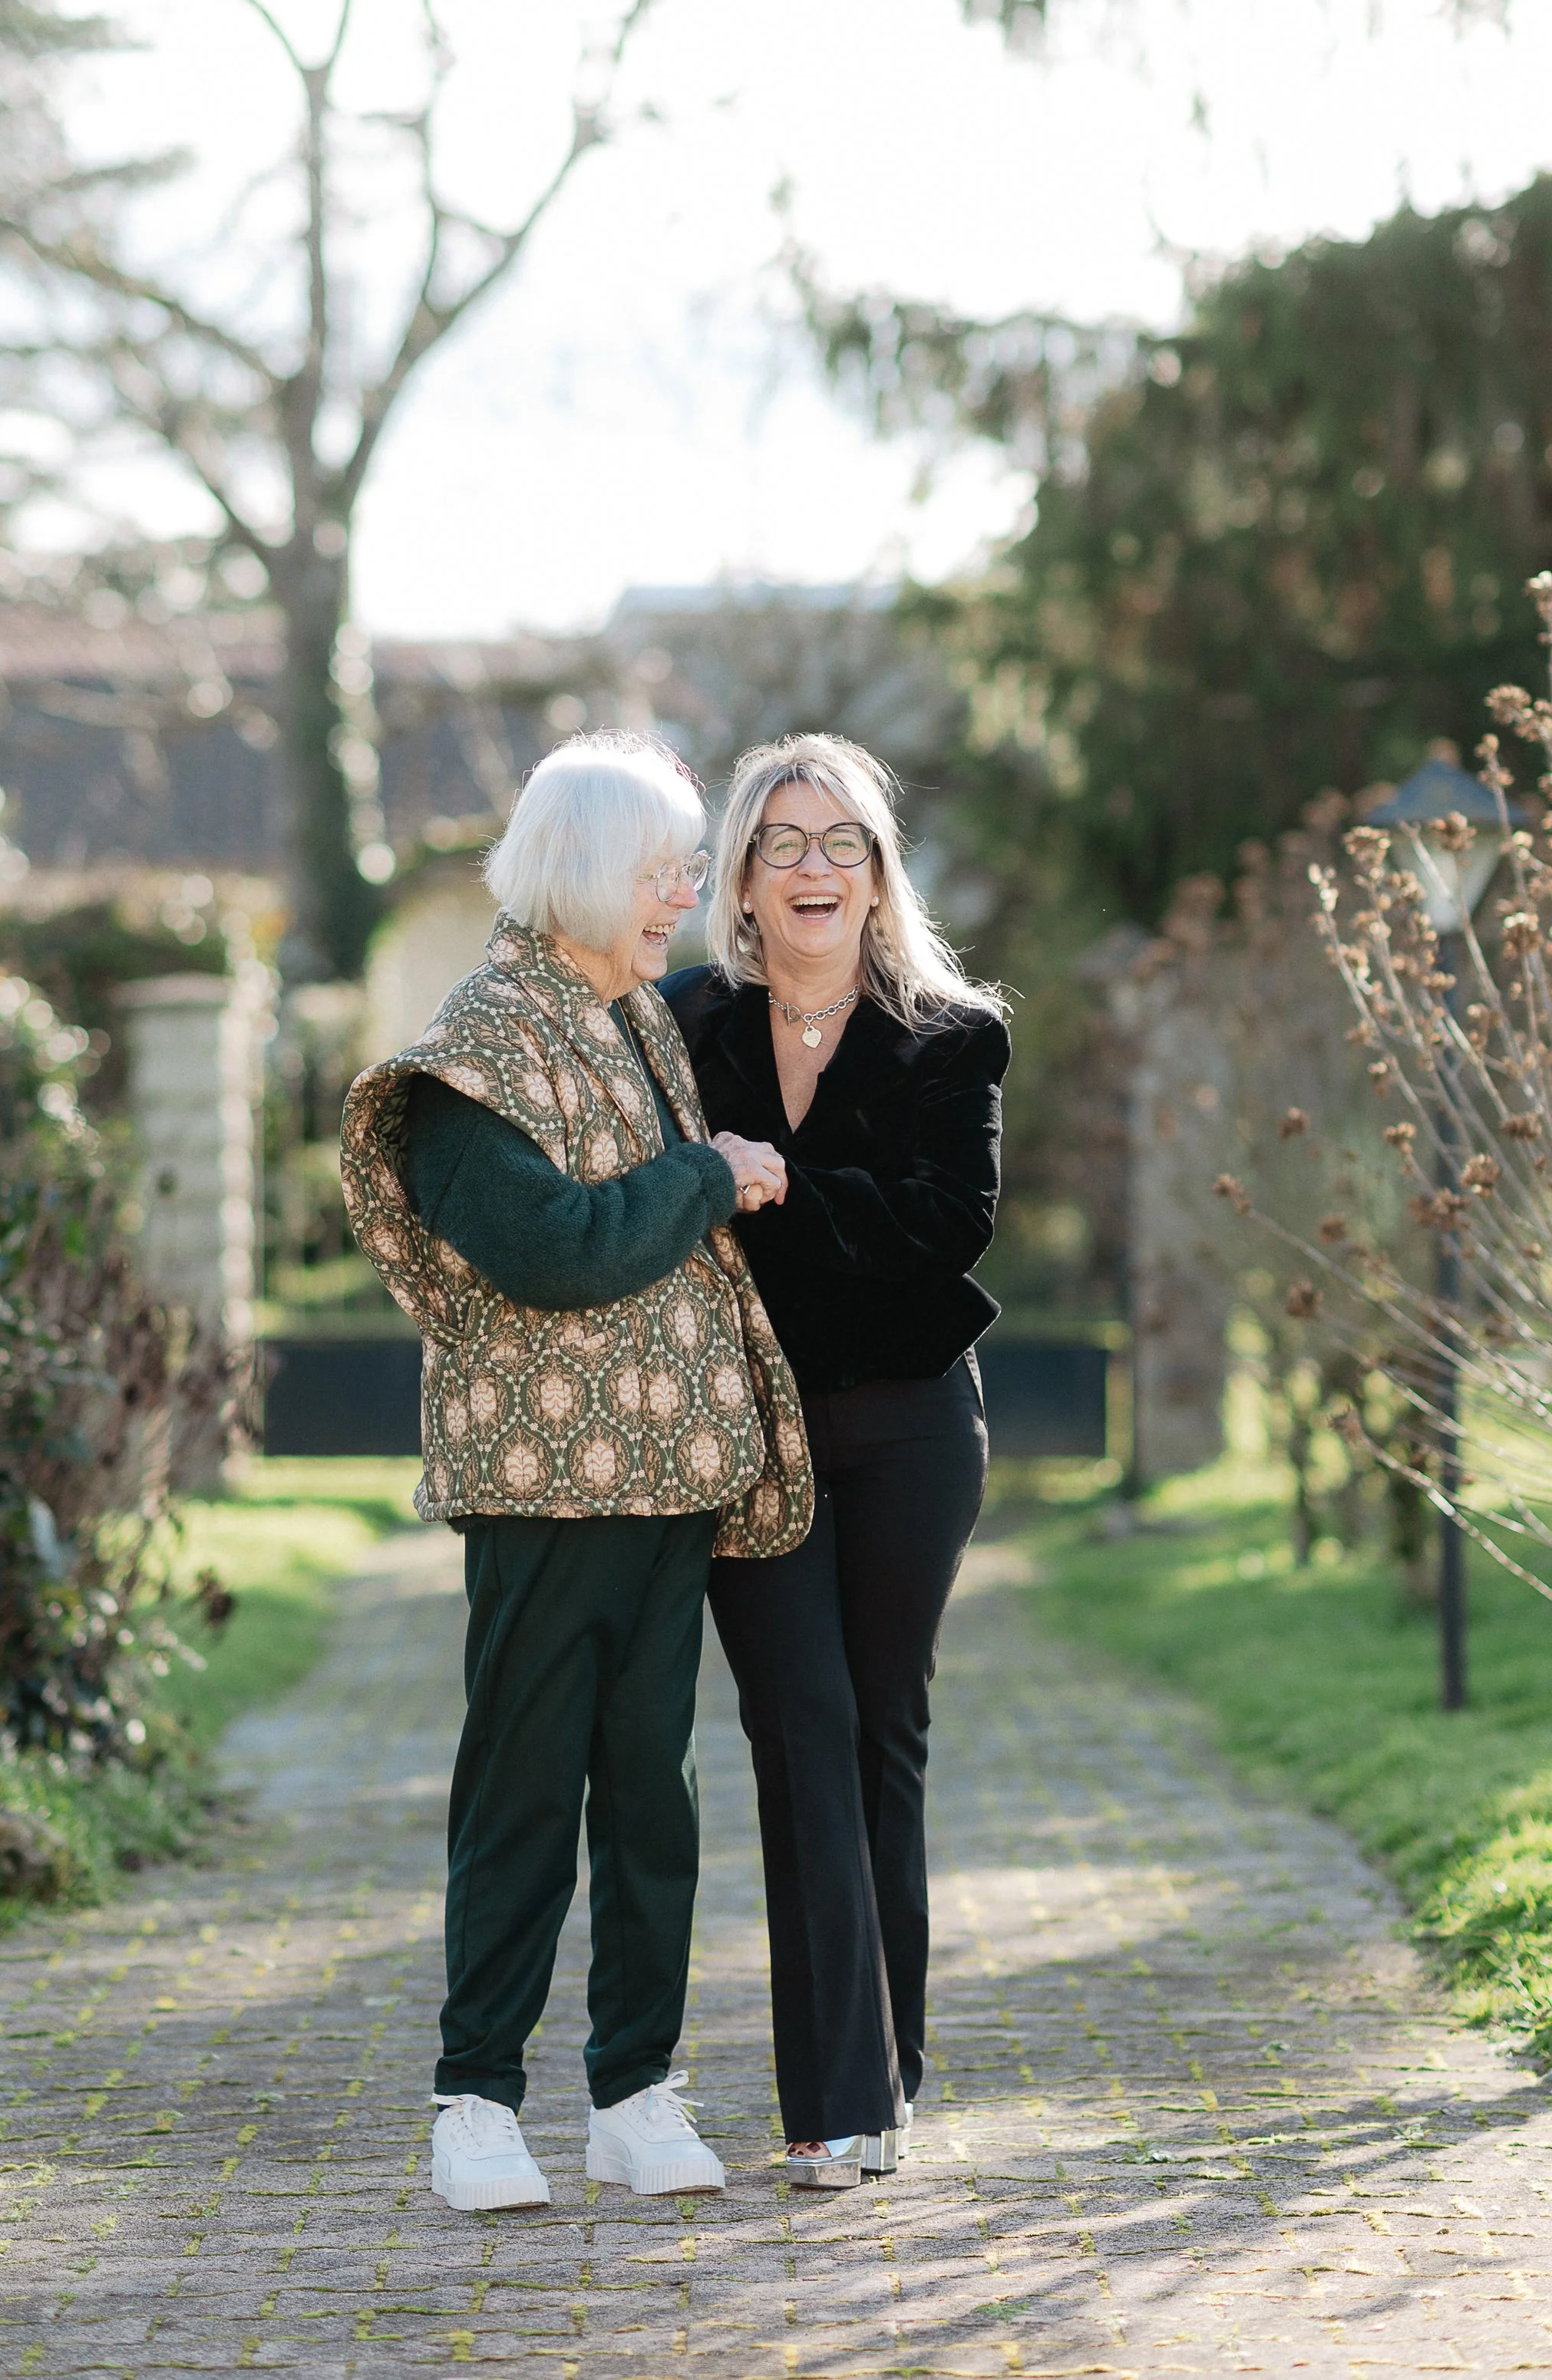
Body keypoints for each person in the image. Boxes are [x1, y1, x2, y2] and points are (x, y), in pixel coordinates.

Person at [339, 731, 811, 2216]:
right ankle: (475, 2100)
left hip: (668, 1477)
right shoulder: (478, 1043)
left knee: (653, 1798)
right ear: (595, 871)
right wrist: (710, 1171)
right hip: (544, 1487)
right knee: (527, 1792)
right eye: (666, 869)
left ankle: (633, 2090)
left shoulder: (631, 1019)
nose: (684, 894)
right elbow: (550, 1249)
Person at [660, 734, 1009, 2189]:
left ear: (878, 871)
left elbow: (945, 1229)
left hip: (908, 1427)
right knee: (798, 1725)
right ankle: (837, 2099)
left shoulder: (952, 1034)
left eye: (842, 842)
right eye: (783, 842)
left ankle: (886, 2070)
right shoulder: (678, 1023)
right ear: (742, 877)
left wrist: (773, 1184)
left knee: (878, 1733)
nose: (814, 867)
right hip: (747, 1429)